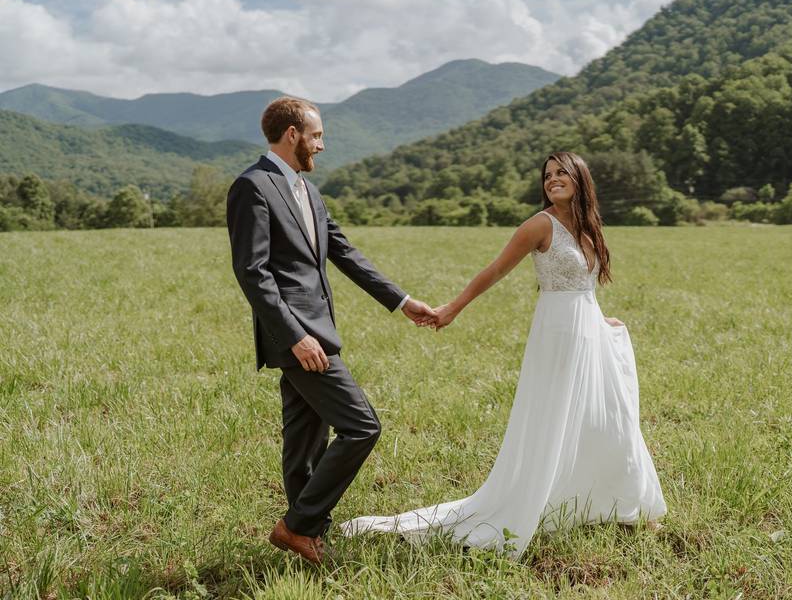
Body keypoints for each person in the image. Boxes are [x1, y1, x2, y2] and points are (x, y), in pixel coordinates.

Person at [342, 151, 666, 557]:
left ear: (580, 178)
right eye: (547, 175)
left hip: (589, 332)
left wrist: (603, 323)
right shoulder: (538, 225)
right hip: (557, 336)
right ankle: (537, 501)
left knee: (608, 416)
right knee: (556, 421)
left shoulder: (589, 226)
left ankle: (624, 506)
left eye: (561, 172)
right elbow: (494, 271)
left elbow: (586, 288)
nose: (552, 179)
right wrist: (452, 309)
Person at [226, 96, 437, 565]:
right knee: (363, 426)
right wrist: (295, 337)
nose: (322, 144)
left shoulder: (308, 191)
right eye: (316, 135)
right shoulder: (252, 187)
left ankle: (306, 537)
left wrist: (403, 302)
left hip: (316, 333)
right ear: (292, 134)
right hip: (299, 339)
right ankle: (297, 526)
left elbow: (345, 253)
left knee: (304, 442)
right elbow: (253, 272)